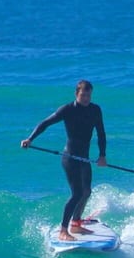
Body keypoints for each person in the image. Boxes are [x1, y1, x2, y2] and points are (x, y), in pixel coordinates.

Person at [21, 80, 106, 241]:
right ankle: (63, 230)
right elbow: (45, 123)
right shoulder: (68, 109)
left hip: (84, 158)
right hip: (70, 158)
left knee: (87, 192)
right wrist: (30, 139)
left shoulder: (95, 110)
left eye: (89, 95)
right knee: (77, 193)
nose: (86, 98)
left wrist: (102, 156)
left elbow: (101, 133)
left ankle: (76, 223)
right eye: (83, 95)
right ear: (76, 94)